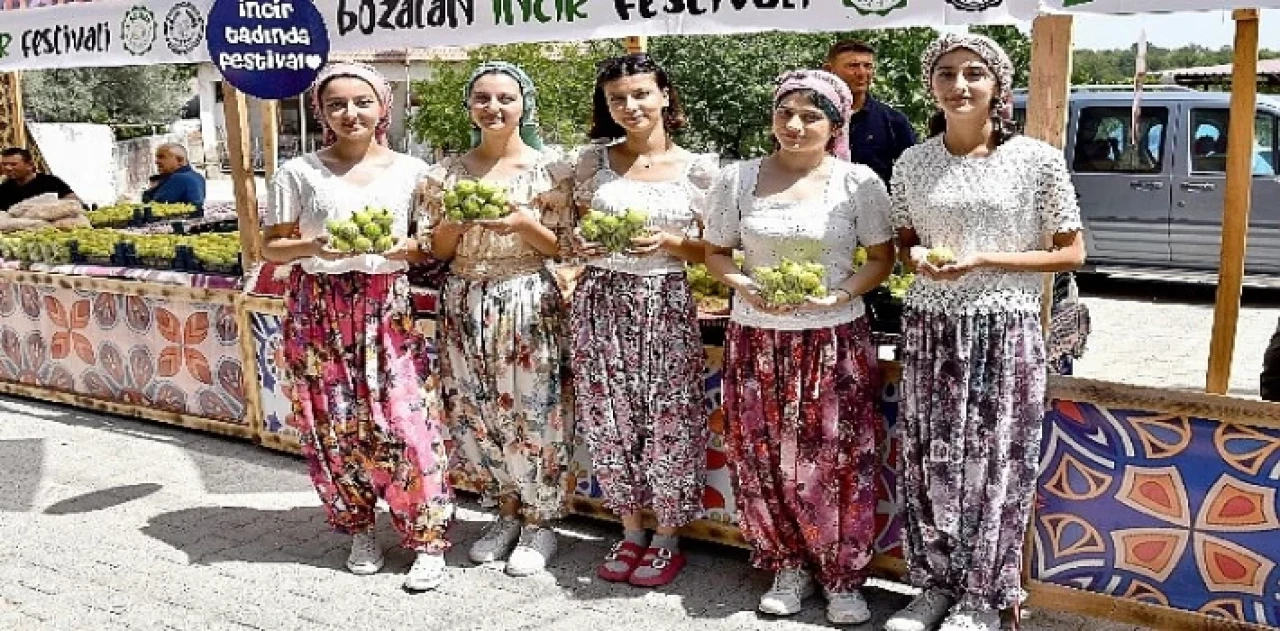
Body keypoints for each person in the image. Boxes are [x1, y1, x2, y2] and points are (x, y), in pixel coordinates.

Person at [886, 34, 1085, 631]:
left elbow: (1072, 251)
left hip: (1003, 326)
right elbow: (902, 239)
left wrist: (986, 260)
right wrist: (918, 256)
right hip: (928, 326)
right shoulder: (913, 162)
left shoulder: (1036, 161)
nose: (960, 85)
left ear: (999, 85)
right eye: (947, 73)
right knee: (928, 457)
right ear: (931, 84)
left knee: (996, 460)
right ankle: (933, 586)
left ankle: (982, 594)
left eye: (975, 73)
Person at [703, 69, 894, 625]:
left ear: (836, 125)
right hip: (756, 335)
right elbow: (717, 252)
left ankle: (842, 576)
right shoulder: (737, 180)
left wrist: (837, 293)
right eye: (785, 113)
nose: (795, 124)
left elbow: (881, 259)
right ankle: (787, 565)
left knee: (837, 457)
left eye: (811, 115)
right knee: (761, 453)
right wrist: (743, 284)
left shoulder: (858, 183)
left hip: (834, 336)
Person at [259, 62, 453, 593]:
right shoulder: (297, 173)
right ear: (321, 111)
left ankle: (428, 537)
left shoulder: (414, 172)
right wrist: (312, 246)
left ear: (382, 107)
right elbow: (269, 247)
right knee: (335, 426)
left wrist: (401, 250)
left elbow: (429, 244)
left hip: (384, 305)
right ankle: (359, 527)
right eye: (337, 104)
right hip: (317, 306)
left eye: (362, 102)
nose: (351, 113)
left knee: (406, 422)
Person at [417, 61, 575, 578]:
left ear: (525, 103)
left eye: (505, 97)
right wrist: (454, 222)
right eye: (482, 98)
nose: (493, 108)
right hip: (463, 297)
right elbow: (433, 250)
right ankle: (503, 510)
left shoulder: (552, 171)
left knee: (535, 408)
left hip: (527, 295)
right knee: (477, 409)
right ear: (469, 107)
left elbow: (566, 248)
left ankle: (540, 520)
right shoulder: (444, 174)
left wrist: (524, 223)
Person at [570, 53, 717, 588]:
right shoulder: (590, 164)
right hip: (599, 298)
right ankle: (630, 530)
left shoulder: (702, 170)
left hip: (665, 298)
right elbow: (564, 231)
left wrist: (674, 243)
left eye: (640, 94)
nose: (630, 106)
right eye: (617, 99)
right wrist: (581, 243)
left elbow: (718, 251)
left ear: (664, 96)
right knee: (608, 418)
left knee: (670, 420)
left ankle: (668, 536)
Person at [824, 40, 917, 184]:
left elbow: (912, 176)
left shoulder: (893, 121)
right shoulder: (813, 118)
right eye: (853, 66)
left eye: (867, 66)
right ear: (829, 71)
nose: (861, 73)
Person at [0, 148, 77, 211]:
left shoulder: (51, 182)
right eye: (4, 164)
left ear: (30, 165)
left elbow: (73, 203)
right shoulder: (4, 189)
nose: (8, 168)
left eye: (13, 164)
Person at [142, 143, 206, 209]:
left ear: (180, 160)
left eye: (161, 157)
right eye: (157, 157)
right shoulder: (198, 176)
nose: (157, 161)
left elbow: (155, 206)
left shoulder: (179, 178)